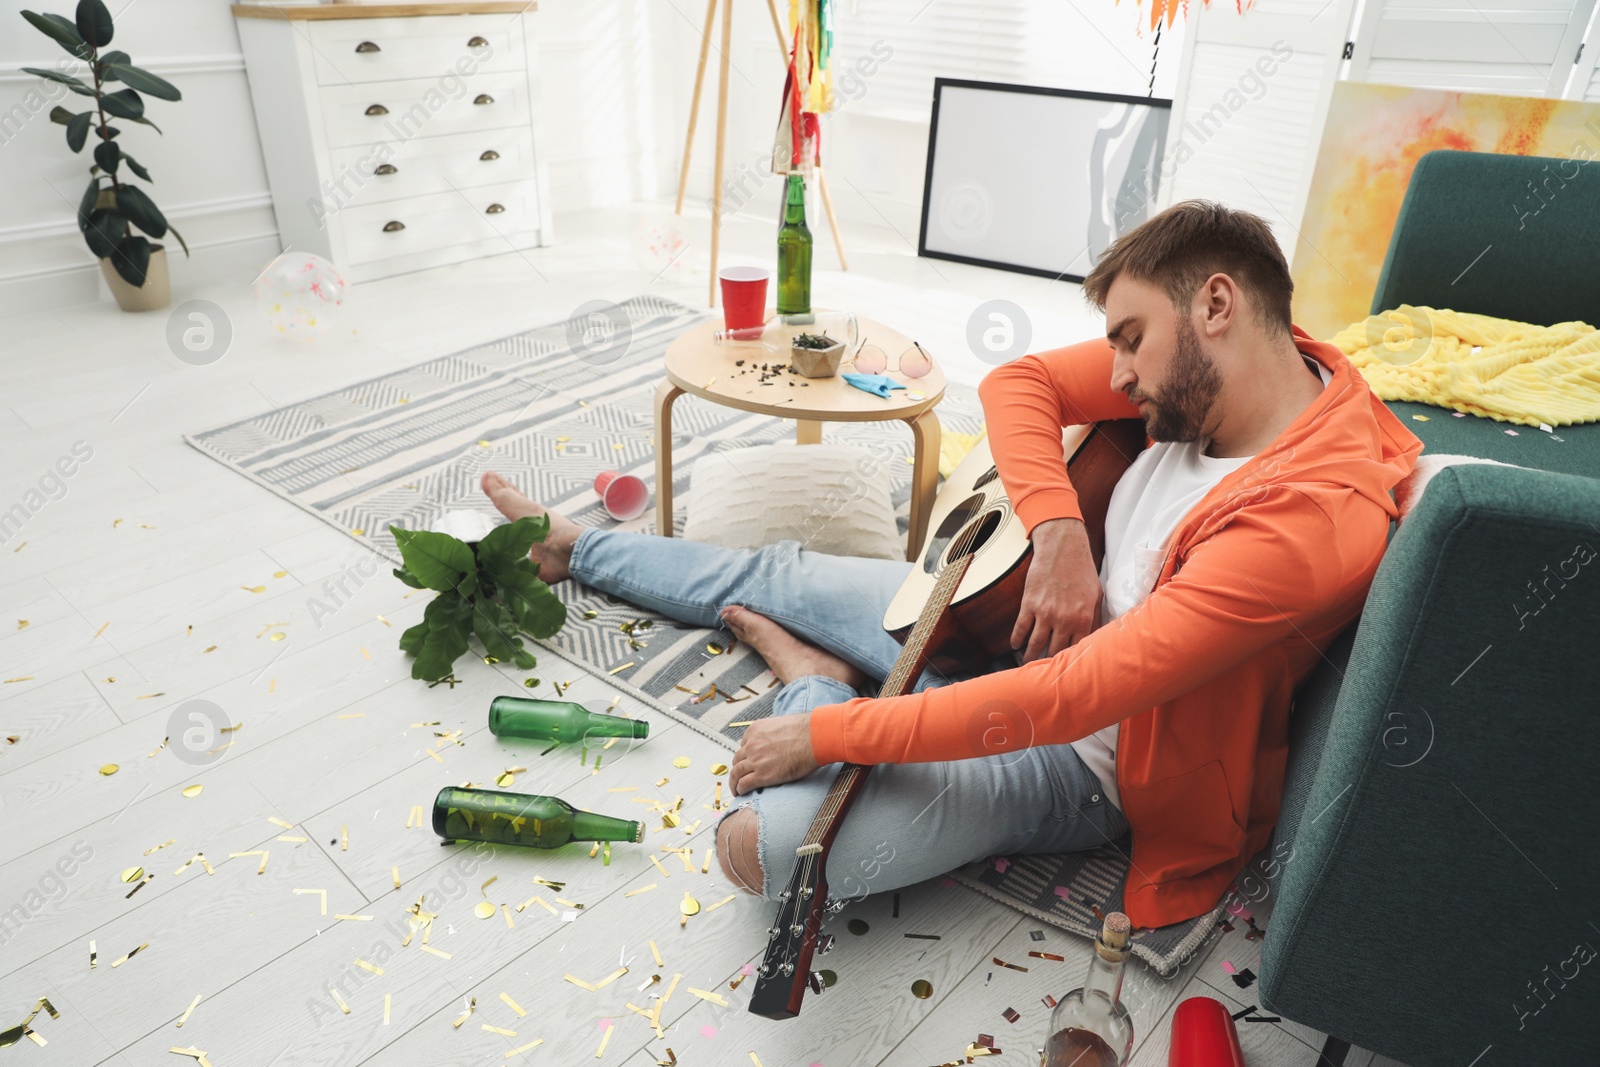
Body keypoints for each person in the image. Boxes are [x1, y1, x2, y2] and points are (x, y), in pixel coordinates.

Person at [480, 200, 1422, 928]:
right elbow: (1024, 382)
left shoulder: (1303, 523)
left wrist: (833, 728)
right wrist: (1056, 530)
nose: (1121, 374)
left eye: (1130, 337)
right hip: (1011, 621)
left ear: (1217, 302)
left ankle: (812, 679)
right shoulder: (1243, 371)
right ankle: (576, 545)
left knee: (758, 849)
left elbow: (1073, 698)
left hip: (1082, 757)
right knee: (775, 569)